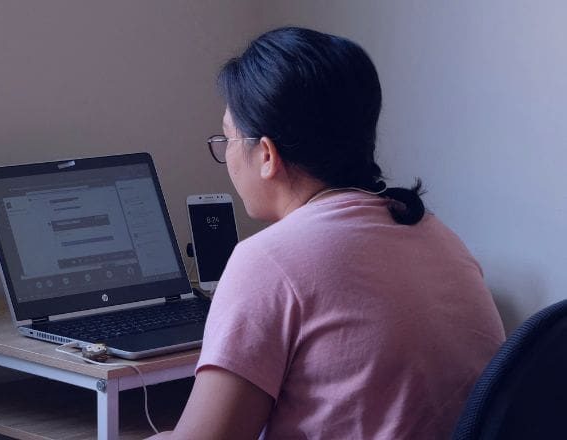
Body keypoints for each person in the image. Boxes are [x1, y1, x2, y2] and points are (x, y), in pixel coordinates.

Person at [148, 27, 505, 439]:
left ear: (266, 154)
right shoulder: (434, 233)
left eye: (227, 139)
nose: (226, 156)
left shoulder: (268, 261)